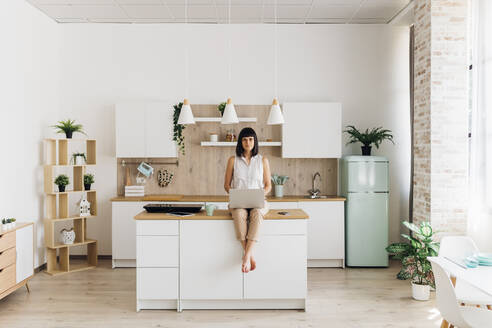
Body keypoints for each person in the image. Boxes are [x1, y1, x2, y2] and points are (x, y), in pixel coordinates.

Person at [224, 127, 272, 273]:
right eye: (244, 139)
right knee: (238, 214)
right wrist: (235, 195)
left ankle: (246, 256)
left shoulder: (263, 160)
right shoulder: (233, 160)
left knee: (257, 213)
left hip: (258, 201)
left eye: (250, 139)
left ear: (254, 141)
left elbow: (268, 185)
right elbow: (226, 185)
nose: (248, 142)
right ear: (240, 142)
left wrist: (260, 194)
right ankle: (249, 255)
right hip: (239, 202)